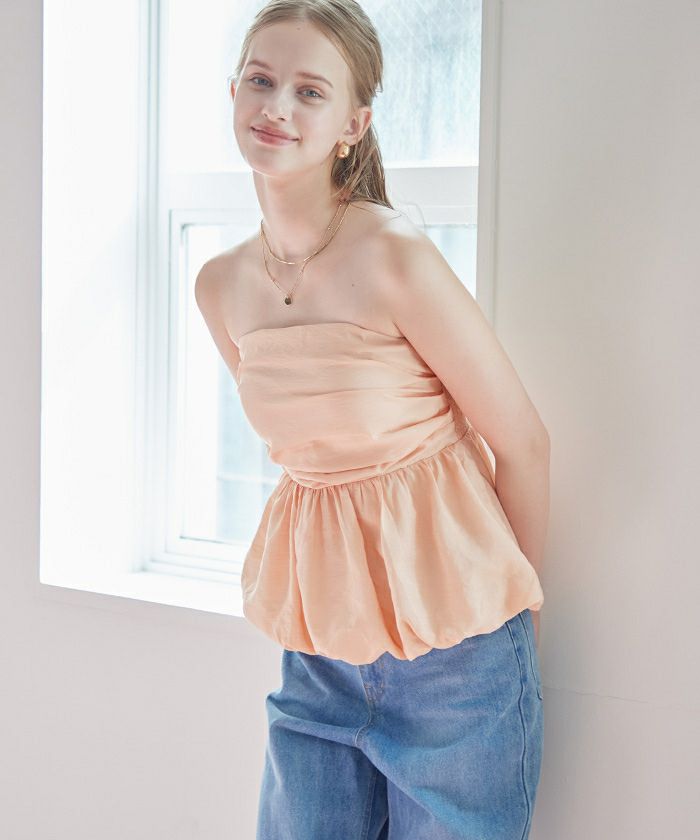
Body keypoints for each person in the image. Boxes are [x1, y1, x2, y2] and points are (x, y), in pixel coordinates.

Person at [195, 1, 549, 837]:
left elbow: (524, 444)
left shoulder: (395, 256)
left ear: (352, 125)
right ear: (234, 92)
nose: (277, 106)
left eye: (309, 91)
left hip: (459, 653)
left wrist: (521, 631)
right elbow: (310, 452)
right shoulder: (221, 286)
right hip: (320, 650)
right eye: (260, 80)